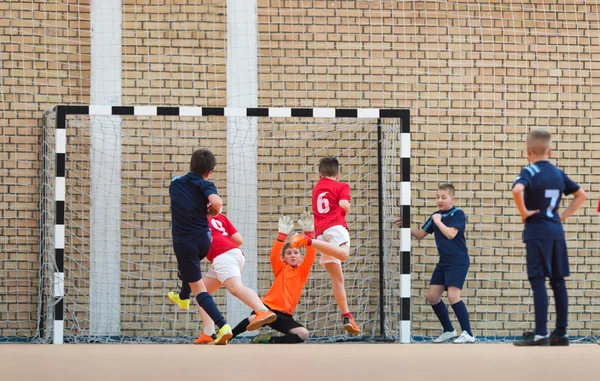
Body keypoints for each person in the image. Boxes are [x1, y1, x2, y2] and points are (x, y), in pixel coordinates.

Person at [511, 129, 587, 346]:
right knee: (558, 281)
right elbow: (582, 195)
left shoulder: (530, 171)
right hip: (556, 232)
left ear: (528, 151)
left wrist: (524, 213)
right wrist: (561, 216)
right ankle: (561, 333)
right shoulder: (557, 173)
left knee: (538, 280)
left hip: (537, 232)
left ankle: (541, 334)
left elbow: (517, 190)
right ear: (550, 150)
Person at [170, 213, 276, 344]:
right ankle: (209, 333)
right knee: (201, 291)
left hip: (222, 256)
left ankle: (262, 310)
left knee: (235, 287)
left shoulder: (196, 219)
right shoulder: (221, 217)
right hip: (235, 253)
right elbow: (239, 240)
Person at [167, 148, 232, 345]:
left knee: (199, 288)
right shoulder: (206, 184)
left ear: (191, 165)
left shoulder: (175, 182)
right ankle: (183, 298)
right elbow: (217, 203)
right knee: (189, 267)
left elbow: (212, 201)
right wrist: (212, 212)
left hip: (185, 241)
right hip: (205, 240)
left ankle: (222, 326)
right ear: (208, 172)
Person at [396, 183, 475, 344]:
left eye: (443, 197)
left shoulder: (457, 213)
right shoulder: (435, 215)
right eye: (437, 197)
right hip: (444, 262)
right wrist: (405, 226)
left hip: (458, 261)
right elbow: (419, 234)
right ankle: (449, 330)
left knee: (453, 296)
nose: (439, 200)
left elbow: (451, 234)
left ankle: (468, 334)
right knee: (433, 296)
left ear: (452, 199)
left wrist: (438, 222)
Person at [229, 212, 316, 344]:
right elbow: (274, 255)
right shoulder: (281, 268)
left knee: (303, 334)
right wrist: (282, 236)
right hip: (267, 308)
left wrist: (309, 234)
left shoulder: (302, 271)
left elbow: (311, 255)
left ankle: (269, 339)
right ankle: (228, 336)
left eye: (296, 253)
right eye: (289, 253)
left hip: (284, 316)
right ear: (284, 258)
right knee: (253, 319)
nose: (292, 255)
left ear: (300, 257)